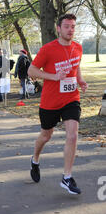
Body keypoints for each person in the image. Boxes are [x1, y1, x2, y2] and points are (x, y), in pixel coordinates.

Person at [28, 14, 88, 195]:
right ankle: (35, 159)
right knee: (46, 136)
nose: (71, 30)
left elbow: (76, 66)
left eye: (73, 27)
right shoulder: (48, 49)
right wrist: (53, 76)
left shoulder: (78, 48)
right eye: (67, 26)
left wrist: (81, 80)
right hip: (50, 101)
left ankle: (67, 177)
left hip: (71, 99)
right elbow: (32, 71)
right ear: (59, 28)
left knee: (72, 136)